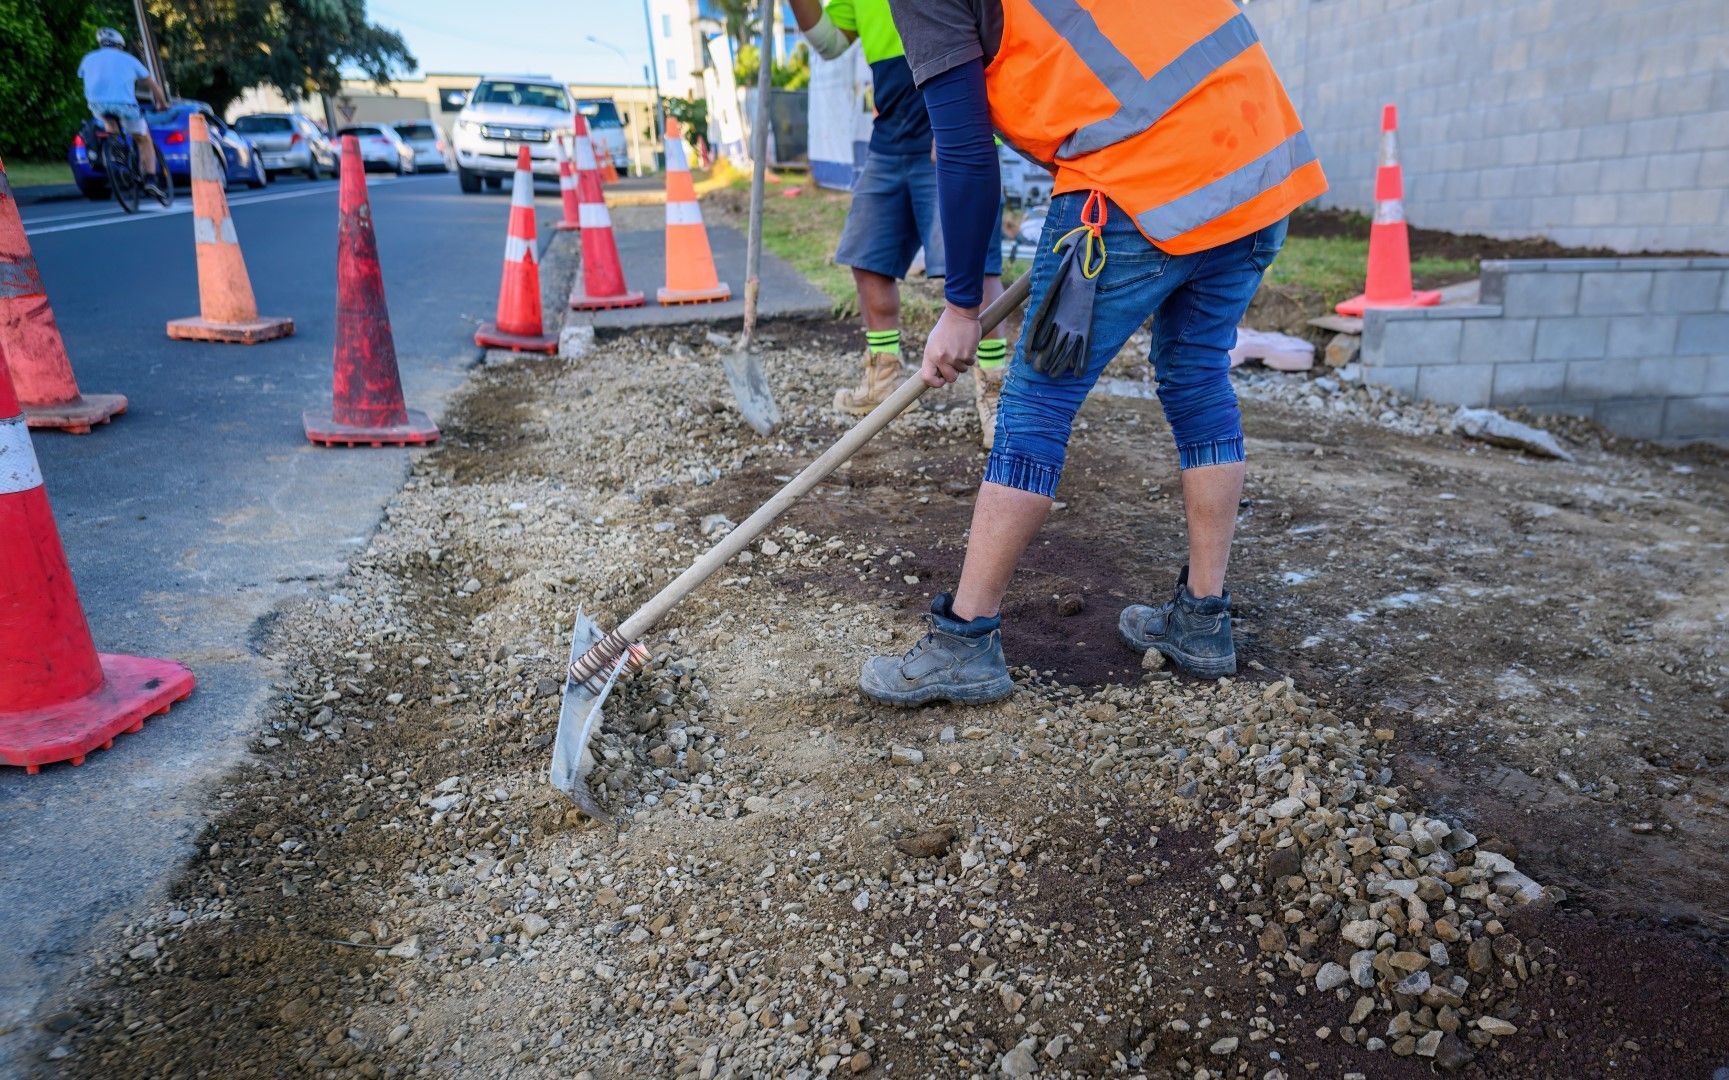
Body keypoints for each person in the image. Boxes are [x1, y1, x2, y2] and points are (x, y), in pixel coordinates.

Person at [857, 0, 1327, 701]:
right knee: (1197, 375)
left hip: (1137, 176)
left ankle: (964, 639)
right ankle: (1201, 619)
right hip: (1258, 156)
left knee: (1036, 401)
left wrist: (960, 308)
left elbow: (960, 145)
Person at [788, 0, 1009, 448]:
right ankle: (884, 372)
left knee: (974, 264)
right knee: (867, 256)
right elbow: (829, 44)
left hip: (946, 130)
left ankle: (995, 389)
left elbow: (999, 41)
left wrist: (966, 135)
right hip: (889, 141)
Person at [78, 27, 169, 194]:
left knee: (109, 121)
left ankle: (116, 149)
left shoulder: (88, 59)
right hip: (125, 106)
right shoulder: (129, 59)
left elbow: (84, 76)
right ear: (120, 45)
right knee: (144, 139)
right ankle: (150, 179)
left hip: (97, 106)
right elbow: (153, 85)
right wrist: (162, 103)